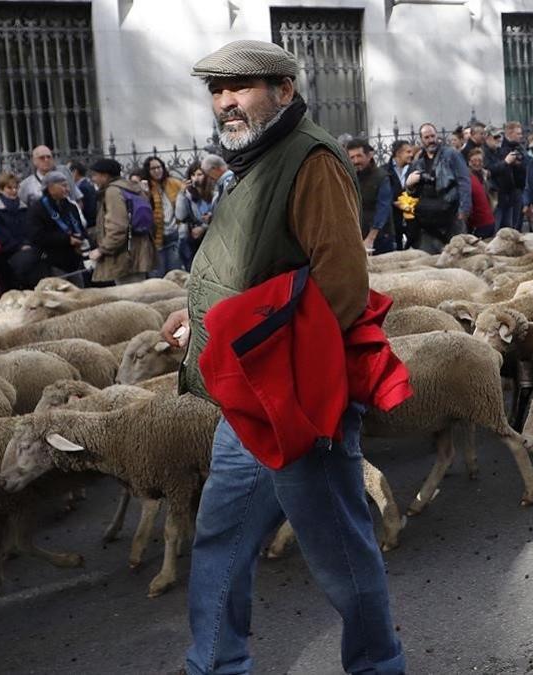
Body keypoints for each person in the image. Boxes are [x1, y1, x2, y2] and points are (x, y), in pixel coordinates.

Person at [160, 39, 404, 674]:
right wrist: (199, 313)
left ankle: (378, 667)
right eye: (216, 90)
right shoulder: (255, 160)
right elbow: (255, 268)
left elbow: (341, 285)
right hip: (246, 401)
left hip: (292, 402)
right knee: (220, 541)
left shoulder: (310, 161)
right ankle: (214, 666)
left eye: (239, 88)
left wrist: (275, 371)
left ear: (285, 90)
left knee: (340, 554)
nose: (225, 102)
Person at [87, 158, 155, 285]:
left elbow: (117, 227)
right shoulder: (132, 188)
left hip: (124, 257)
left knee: (130, 300)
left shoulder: (113, 192)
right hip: (138, 252)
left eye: (95, 175)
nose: (93, 179)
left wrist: (101, 250)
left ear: (105, 175)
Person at [406, 122, 471, 252]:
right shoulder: (417, 163)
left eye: (432, 136)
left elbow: (464, 181)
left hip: (452, 215)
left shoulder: (451, 155)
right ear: (421, 140)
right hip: (428, 221)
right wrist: (409, 185)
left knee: (458, 256)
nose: (431, 140)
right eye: (427, 137)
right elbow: (410, 195)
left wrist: (464, 209)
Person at [26, 172, 89, 284]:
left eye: (68, 185)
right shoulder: (37, 209)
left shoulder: (70, 206)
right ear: (50, 188)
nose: (68, 189)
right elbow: (37, 236)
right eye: (63, 186)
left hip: (74, 260)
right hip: (53, 262)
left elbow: (80, 228)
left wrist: (81, 239)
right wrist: (67, 239)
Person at [0, 171, 42, 290]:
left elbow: (30, 228)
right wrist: (19, 246)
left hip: (28, 250)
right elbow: (0, 234)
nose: (14, 191)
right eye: (9, 188)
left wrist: (28, 243)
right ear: (0, 190)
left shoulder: (24, 207)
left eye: (16, 187)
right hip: (7, 255)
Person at [346, 139, 396, 254]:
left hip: (381, 237)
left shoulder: (382, 177)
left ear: (369, 156)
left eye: (359, 156)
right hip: (359, 236)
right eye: (352, 157)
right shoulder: (350, 178)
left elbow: (383, 209)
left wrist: (370, 238)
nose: (356, 161)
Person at [142, 156, 185, 276]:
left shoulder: (173, 183)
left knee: (175, 274)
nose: (157, 171)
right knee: (157, 276)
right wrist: (145, 194)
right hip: (156, 238)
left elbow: (184, 203)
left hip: (173, 234)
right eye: (153, 168)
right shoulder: (146, 186)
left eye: (159, 167)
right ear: (148, 171)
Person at [175, 160, 214, 270]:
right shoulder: (187, 195)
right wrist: (181, 194)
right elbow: (180, 216)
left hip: (211, 237)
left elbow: (220, 216)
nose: (195, 178)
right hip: (192, 240)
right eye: (193, 175)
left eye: (199, 174)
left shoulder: (214, 192)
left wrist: (204, 227)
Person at [489, 121, 527, 231]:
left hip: (518, 188)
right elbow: (495, 169)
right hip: (506, 191)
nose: (521, 136)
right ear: (510, 133)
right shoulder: (501, 149)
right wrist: (508, 163)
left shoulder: (519, 147)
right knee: (507, 226)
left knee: (515, 224)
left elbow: (526, 163)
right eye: (518, 134)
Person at [18, 145, 82, 207]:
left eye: (49, 157)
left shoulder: (64, 173)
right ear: (34, 161)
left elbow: (77, 199)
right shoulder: (26, 185)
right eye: (42, 158)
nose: (46, 160)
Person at [385, 140, 413, 250]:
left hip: (411, 216)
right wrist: (394, 202)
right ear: (398, 153)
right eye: (408, 152)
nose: (411, 154)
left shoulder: (414, 168)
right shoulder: (385, 170)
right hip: (393, 218)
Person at [466, 148, 496, 238]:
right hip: (479, 220)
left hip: (484, 220)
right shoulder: (468, 178)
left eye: (480, 160)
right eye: (474, 161)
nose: (477, 163)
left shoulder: (484, 176)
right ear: (469, 162)